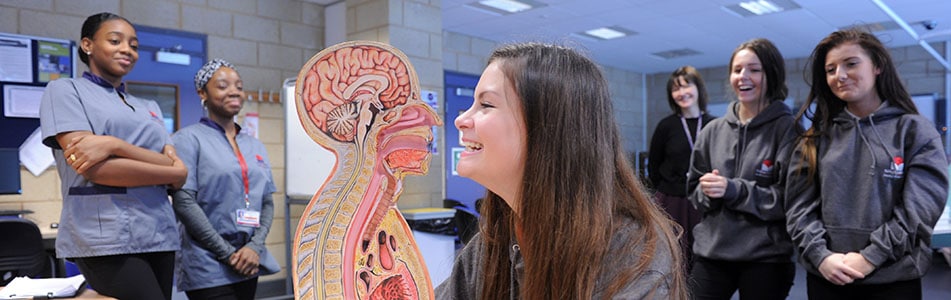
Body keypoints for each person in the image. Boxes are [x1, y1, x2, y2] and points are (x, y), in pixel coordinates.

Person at [435, 42, 687, 299]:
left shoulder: (631, 254)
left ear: (548, 128)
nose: (461, 119)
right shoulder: (497, 239)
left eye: (486, 105)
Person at [785, 29, 948, 300]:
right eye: (831, 69)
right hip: (827, 276)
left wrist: (871, 256)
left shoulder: (913, 130)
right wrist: (821, 256)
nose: (840, 75)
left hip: (893, 279)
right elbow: (798, 207)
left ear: (877, 66)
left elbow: (920, 208)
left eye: (851, 63)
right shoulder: (815, 137)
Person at [38, 12, 187, 300]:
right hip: (104, 235)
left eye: (133, 45)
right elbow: (96, 170)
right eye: (115, 40)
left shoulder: (148, 106)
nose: (127, 50)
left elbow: (179, 171)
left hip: (158, 230)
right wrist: (172, 170)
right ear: (87, 45)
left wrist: (114, 145)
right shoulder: (65, 91)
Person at [686, 38, 798, 299]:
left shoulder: (788, 130)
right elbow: (693, 191)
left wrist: (733, 190)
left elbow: (789, 201)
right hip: (713, 253)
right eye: (737, 70)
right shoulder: (712, 130)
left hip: (766, 257)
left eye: (754, 69)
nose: (743, 77)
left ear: (772, 73)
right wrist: (707, 192)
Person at [170, 59, 279, 300]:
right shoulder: (187, 140)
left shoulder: (254, 144)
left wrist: (254, 247)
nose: (233, 91)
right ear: (202, 93)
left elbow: (267, 202)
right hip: (208, 263)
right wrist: (228, 254)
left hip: (248, 260)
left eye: (238, 86)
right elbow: (184, 203)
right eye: (222, 86)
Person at [648, 65, 715, 272]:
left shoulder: (714, 124)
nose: (681, 93)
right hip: (671, 201)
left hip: (705, 201)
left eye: (686, 86)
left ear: (698, 89)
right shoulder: (666, 126)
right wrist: (666, 189)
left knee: (702, 260)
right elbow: (654, 165)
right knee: (672, 256)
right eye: (675, 89)